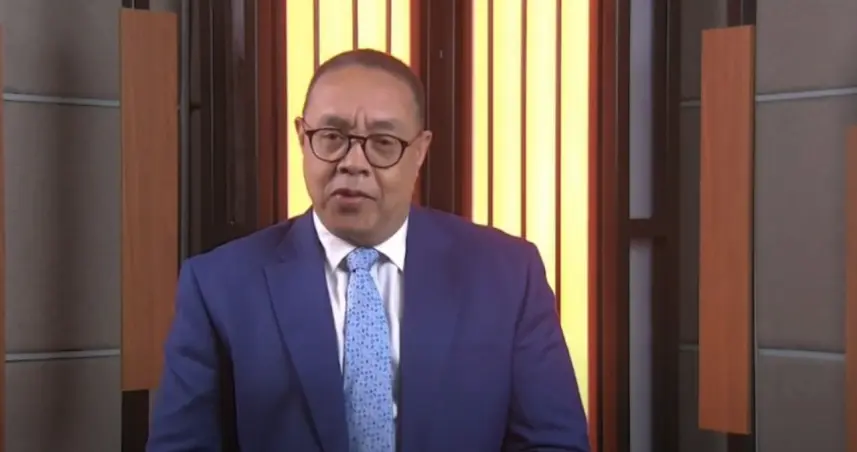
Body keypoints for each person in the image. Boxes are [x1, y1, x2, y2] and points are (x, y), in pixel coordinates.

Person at [147, 48, 589, 452]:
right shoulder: (219, 285)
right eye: (331, 136)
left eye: (383, 143)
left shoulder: (507, 274)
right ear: (302, 138)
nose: (353, 163)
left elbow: (553, 442)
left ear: (420, 151)